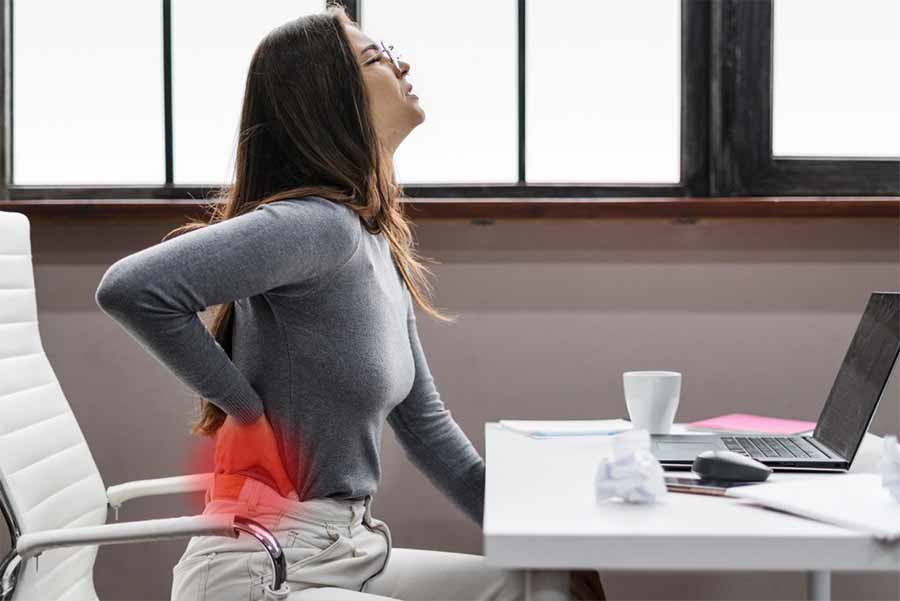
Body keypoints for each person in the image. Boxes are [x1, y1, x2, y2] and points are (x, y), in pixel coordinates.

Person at [94, 2, 606, 599]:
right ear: (331, 99)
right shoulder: (318, 226)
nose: (402, 64)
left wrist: (540, 539)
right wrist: (246, 410)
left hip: (346, 546)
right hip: (260, 565)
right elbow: (131, 288)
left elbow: (427, 427)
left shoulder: (372, 241)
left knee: (556, 586)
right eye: (376, 57)